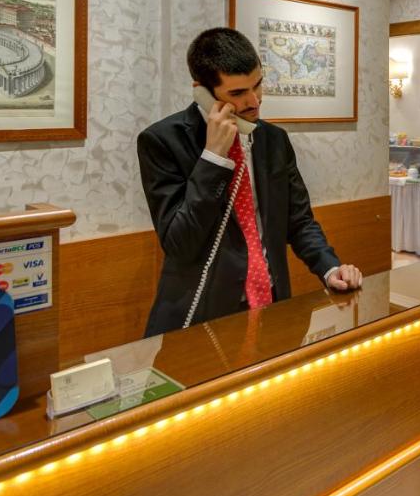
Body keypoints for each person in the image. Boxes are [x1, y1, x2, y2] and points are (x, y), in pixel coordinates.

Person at [137, 27, 362, 336]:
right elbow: (179, 244)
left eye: (257, 85)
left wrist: (329, 267)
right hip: (203, 318)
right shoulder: (162, 141)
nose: (254, 101)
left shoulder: (273, 139)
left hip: (272, 307)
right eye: (237, 93)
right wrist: (213, 158)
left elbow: (299, 221)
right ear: (202, 92)